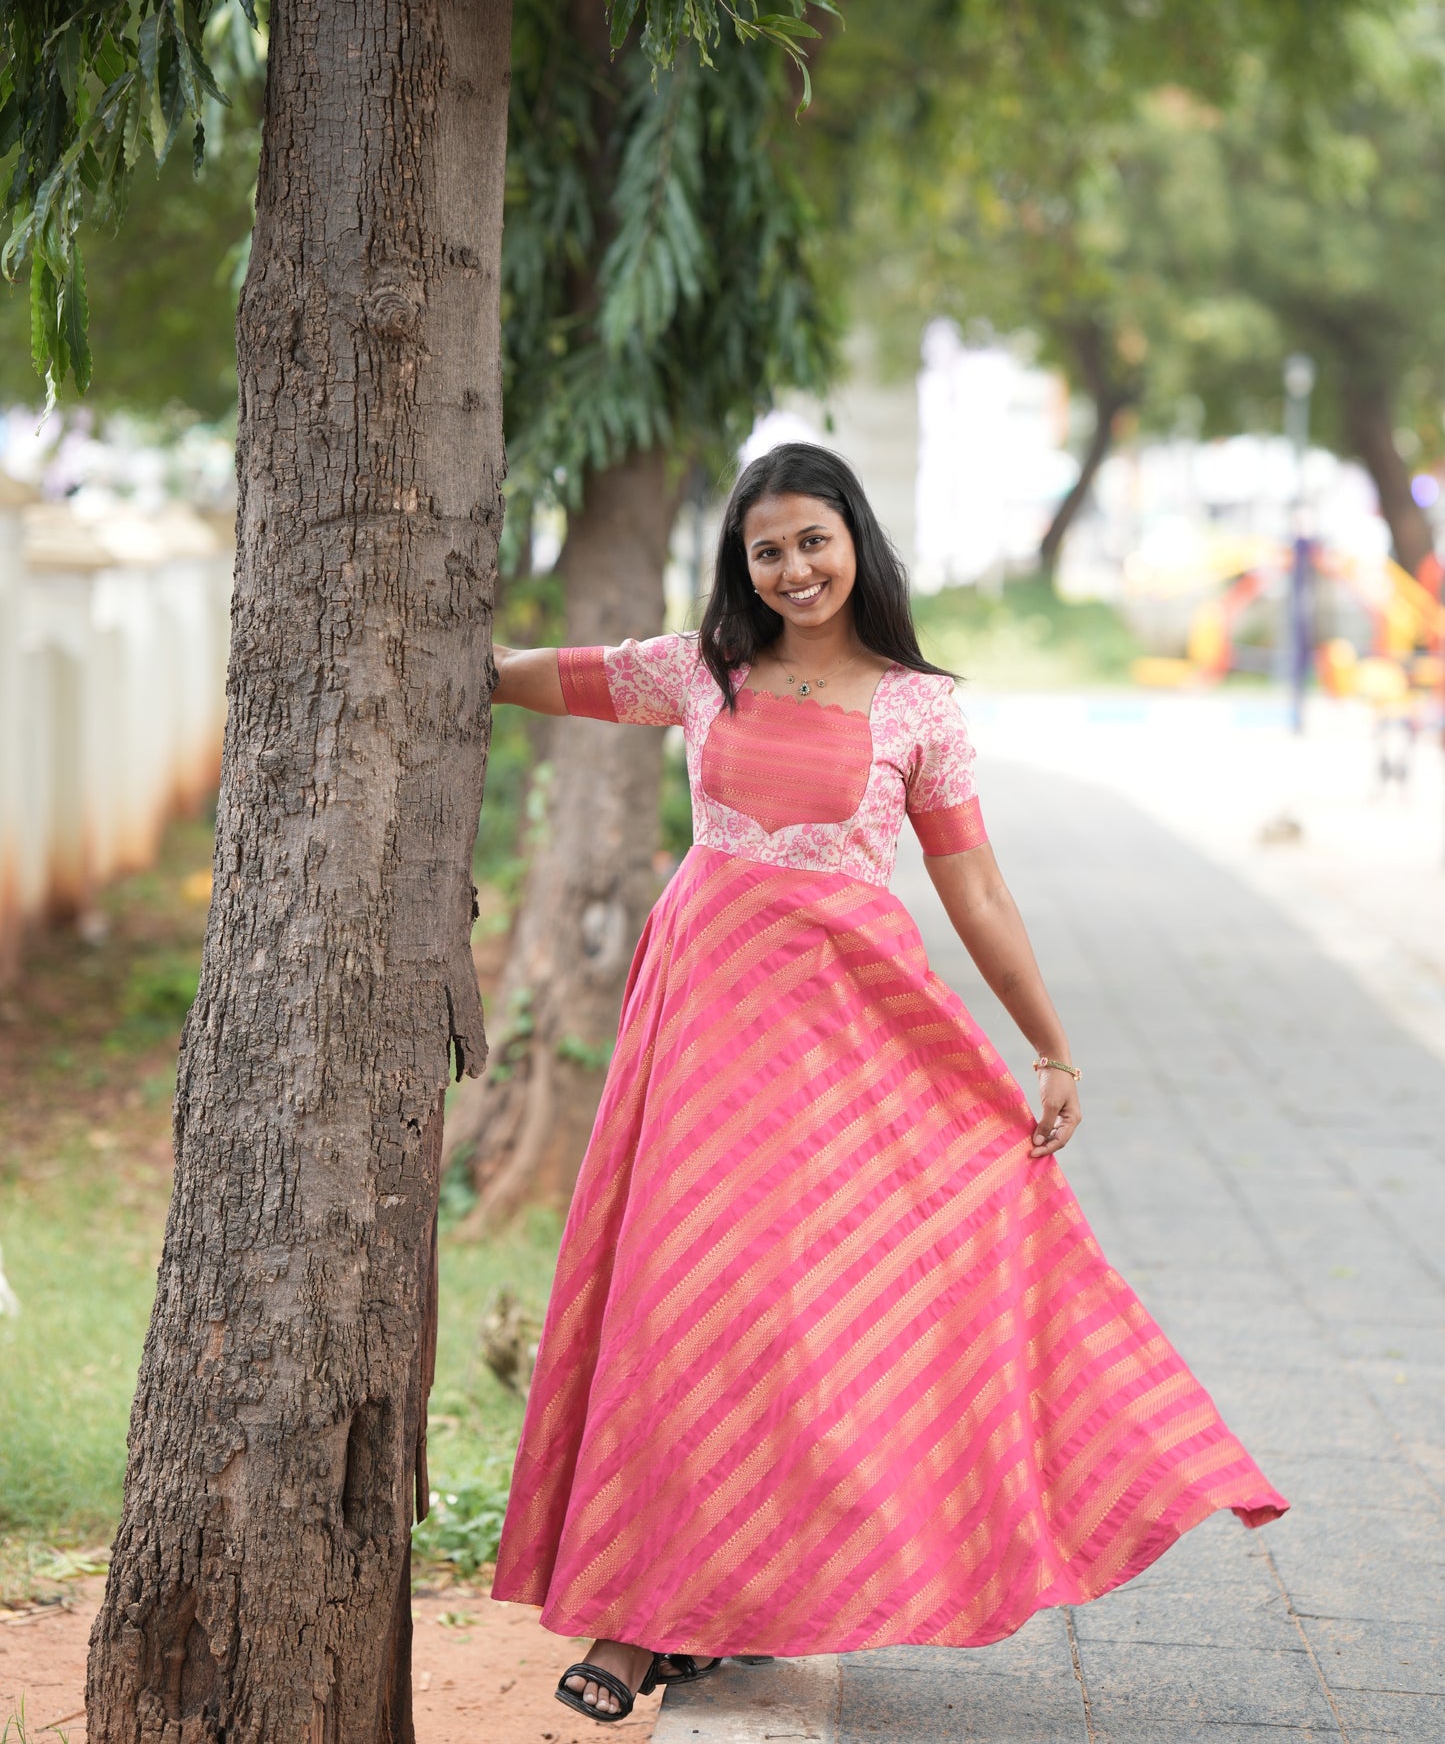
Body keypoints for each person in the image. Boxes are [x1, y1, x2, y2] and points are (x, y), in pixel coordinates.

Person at [489, 443, 1286, 1724]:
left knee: (806, 1321)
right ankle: (638, 1619)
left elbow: (972, 885)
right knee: (682, 1298)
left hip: (843, 1048)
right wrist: (440, 655)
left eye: (813, 538)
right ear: (739, 564)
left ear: (855, 537)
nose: (793, 567)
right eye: (767, 548)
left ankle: (718, 1593)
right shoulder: (702, 671)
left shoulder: (918, 708)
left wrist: (1050, 1044)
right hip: (699, 1034)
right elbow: (541, 678)